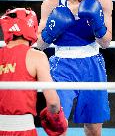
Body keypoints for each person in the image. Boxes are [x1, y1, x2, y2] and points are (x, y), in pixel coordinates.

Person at [37, 0, 113, 136]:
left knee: (94, 129)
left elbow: (106, 43)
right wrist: (51, 30)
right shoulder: (52, 2)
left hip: (92, 64)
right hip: (62, 65)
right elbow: (39, 45)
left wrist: (97, 24)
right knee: (58, 125)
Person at [0, 7, 67, 136]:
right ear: (32, 27)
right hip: (23, 130)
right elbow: (53, 102)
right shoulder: (36, 57)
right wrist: (58, 120)